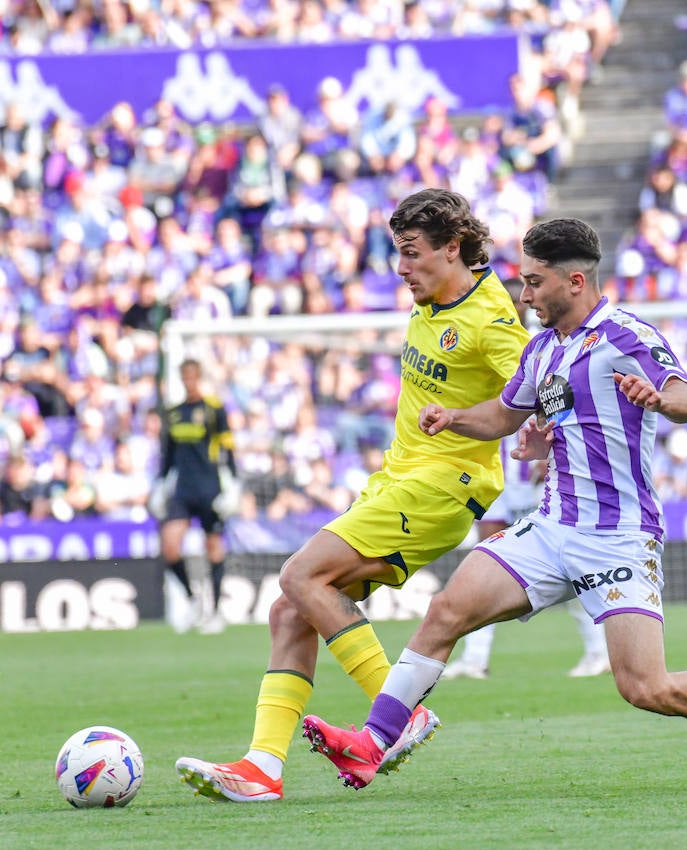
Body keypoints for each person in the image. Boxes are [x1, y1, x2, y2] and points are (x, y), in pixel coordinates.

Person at [300, 218, 687, 792]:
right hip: (550, 528)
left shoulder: (626, 335)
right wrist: (455, 417)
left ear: (575, 281)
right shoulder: (543, 348)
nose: (524, 295)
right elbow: (504, 415)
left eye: (534, 283)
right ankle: (371, 745)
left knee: (646, 687)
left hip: (618, 534)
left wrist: (658, 398)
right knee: (446, 611)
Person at [176, 188, 530, 802]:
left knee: (299, 576)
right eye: (398, 253)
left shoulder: (491, 319)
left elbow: (538, 388)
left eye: (412, 254)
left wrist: (539, 437)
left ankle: (397, 714)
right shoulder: (431, 301)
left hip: (445, 486)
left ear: (452, 250)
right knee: (292, 608)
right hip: (398, 479)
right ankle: (264, 767)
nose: (401, 268)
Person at [442, 426, 610, 680]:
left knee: (574, 568)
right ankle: (475, 658)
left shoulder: (539, 389)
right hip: (497, 478)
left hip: (544, 479)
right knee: (484, 565)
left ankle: (599, 653)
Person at [154, 358, 238, 634]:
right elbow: (168, 455)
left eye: (192, 377)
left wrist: (232, 485)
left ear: (199, 377)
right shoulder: (174, 412)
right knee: (169, 546)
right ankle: (192, 600)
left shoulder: (214, 410)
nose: (189, 381)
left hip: (210, 488)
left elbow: (228, 450)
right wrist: (159, 484)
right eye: (184, 377)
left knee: (213, 548)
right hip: (183, 490)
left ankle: (214, 612)